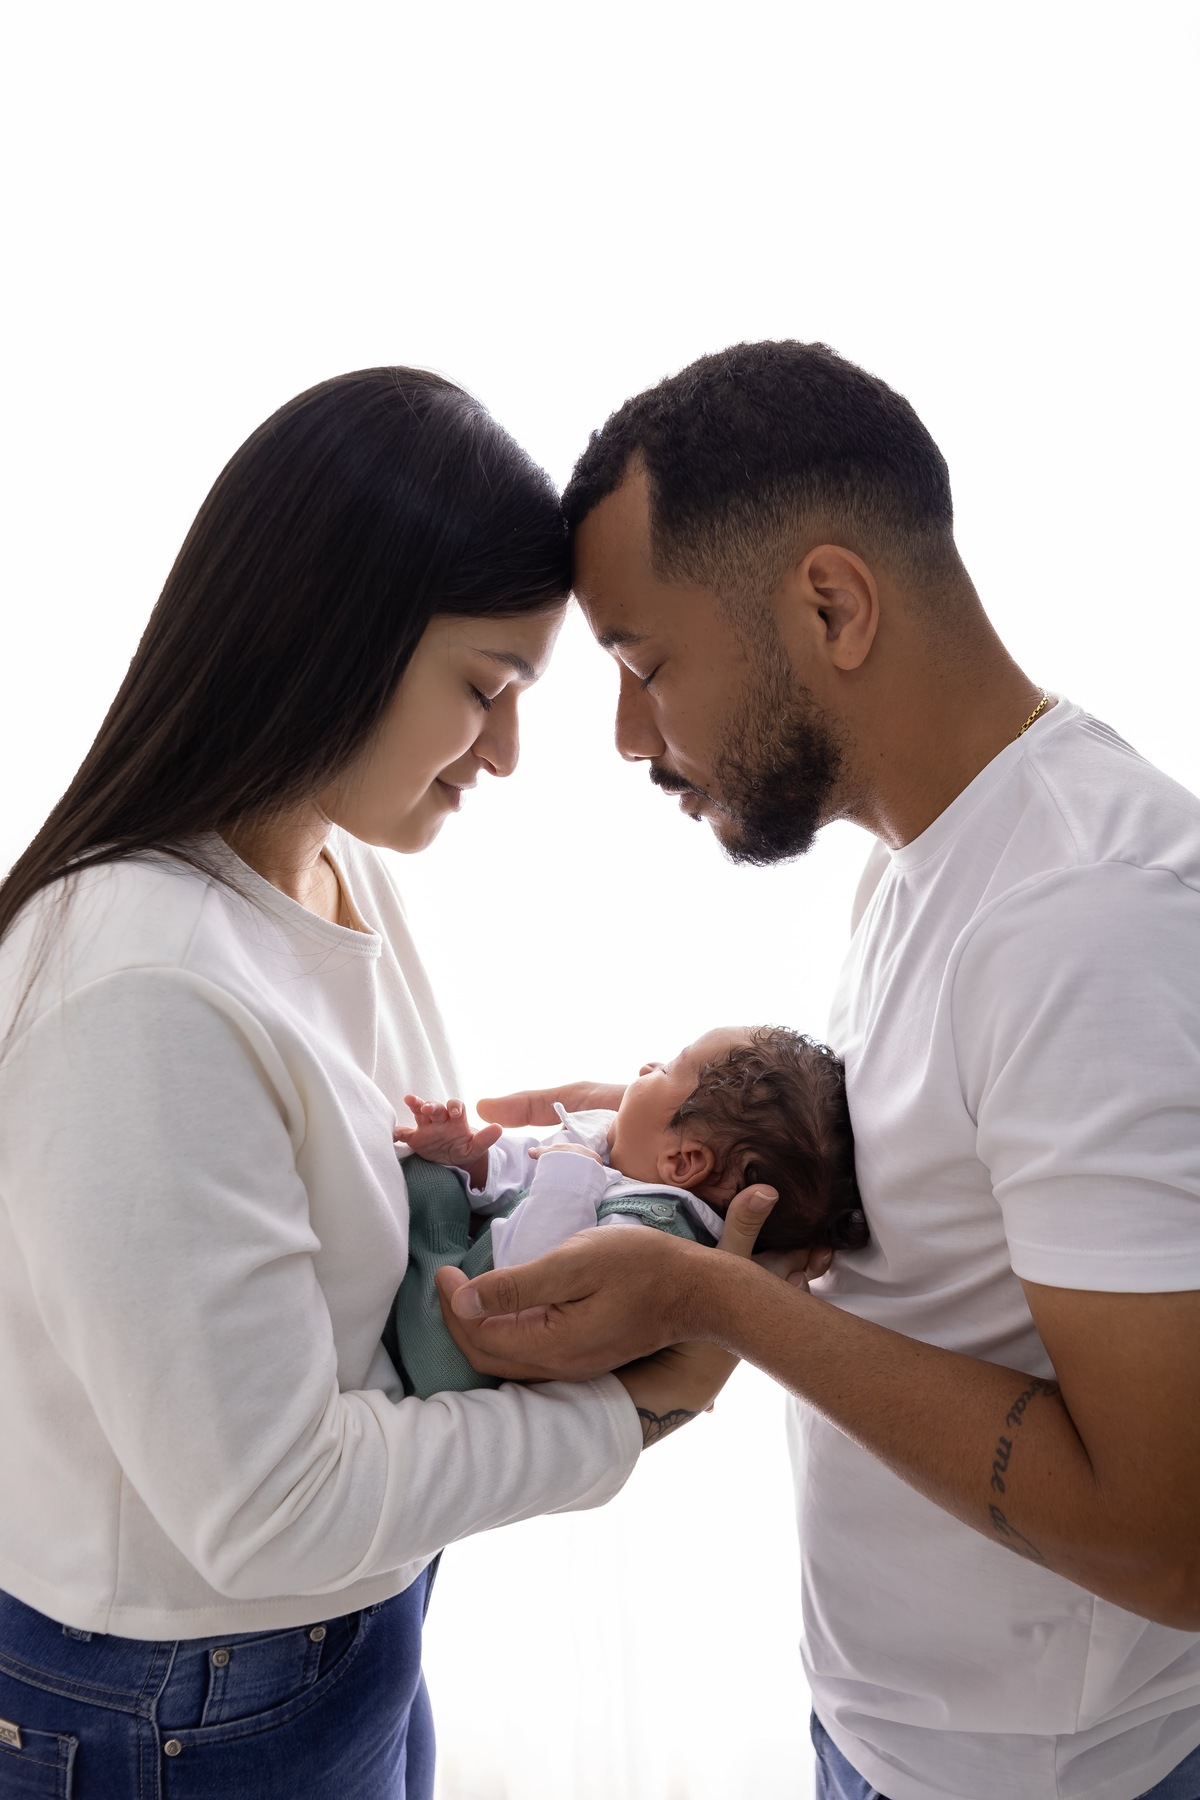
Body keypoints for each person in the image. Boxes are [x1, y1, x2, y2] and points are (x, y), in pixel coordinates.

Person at [0, 368, 780, 1799]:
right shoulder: (145, 991)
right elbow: (267, 1506)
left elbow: (382, 1218)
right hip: (191, 1699)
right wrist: (635, 1411)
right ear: (328, 636)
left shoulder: (328, 865)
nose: (505, 752)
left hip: (342, 1634)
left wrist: (604, 1158)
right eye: (485, 690)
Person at [437, 343, 1200, 1800]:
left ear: (833, 604)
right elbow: (939, 1222)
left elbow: (1172, 1537)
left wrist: (711, 1300)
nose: (625, 738)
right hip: (895, 1741)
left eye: (644, 665)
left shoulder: (1086, 919)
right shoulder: (933, 868)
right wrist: (637, 1139)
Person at [391, 1025, 866, 1398]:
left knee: (425, 1183)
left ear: (682, 1162)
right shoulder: (612, 1145)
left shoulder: (651, 1226)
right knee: (437, 1174)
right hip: (474, 1281)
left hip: (461, 1355)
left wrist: (568, 1181)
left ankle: (421, 1260)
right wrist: (470, 1160)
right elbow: (515, 1181)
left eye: (665, 1071)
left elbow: (528, 1286)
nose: (645, 1067)